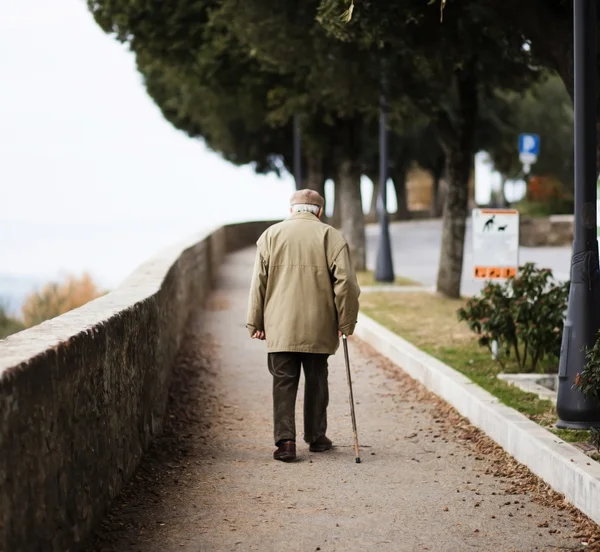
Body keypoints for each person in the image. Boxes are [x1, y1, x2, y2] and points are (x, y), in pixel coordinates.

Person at [246, 189, 360, 462]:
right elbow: (347, 285)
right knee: (317, 380)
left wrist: (255, 321)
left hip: (280, 324)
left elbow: (258, 282)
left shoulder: (271, 236)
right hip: (319, 324)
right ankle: (317, 437)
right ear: (319, 212)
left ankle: (286, 442)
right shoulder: (331, 236)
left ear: (291, 210)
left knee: (284, 382)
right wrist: (346, 322)